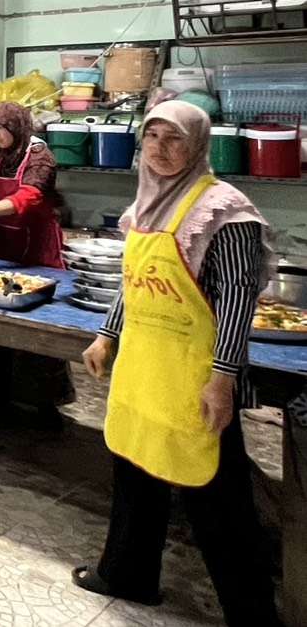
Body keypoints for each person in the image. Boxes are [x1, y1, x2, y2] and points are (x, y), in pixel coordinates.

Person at [72, 101, 282, 627]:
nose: (160, 149)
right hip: (143, 365)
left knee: (217, 498)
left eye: (175, 139)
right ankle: (127, 574)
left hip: (195, 375)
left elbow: (236, 300)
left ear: (198, 146)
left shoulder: (224, 211)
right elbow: (134, 282)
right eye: (152, 137)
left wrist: (222, 378)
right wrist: (106, 335)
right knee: (135, 469)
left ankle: (253, 616)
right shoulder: (146, 204)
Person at [0, 102, 73, 424]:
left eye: (2, 128)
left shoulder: (40, 157)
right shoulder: (2, 154)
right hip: (6, 246)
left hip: (36, 251)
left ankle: (44, 406)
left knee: (38, 327)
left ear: (17, 126)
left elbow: (27, 197)